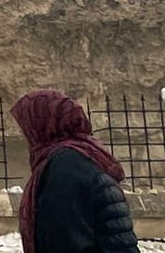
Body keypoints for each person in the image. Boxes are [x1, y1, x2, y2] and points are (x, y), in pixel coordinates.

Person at [12, 90, 139, 253]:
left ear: (43, 122)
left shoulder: (66, 164)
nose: (24, 133)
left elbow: (65, 237)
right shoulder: (81, 153)